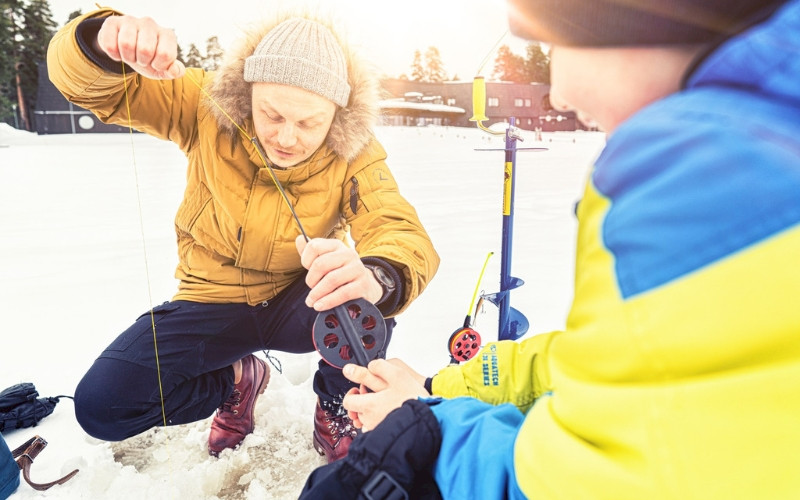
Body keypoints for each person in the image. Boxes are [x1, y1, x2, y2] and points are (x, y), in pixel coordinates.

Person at [299, 0, 800, 498]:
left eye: (555, 43)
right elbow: (602, 364)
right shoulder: (761, 139)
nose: (556, 92)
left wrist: (429, 431)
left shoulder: (690, 171)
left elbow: (584, 481)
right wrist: (437, 391)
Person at [46, 8, 439, 462]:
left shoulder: (355, 152)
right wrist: (100, 41)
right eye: (271, 114)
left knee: (362, 298)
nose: (287, 137)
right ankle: (236, 379)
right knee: (104, 408)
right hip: (208, 297)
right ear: (247, 93)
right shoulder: (204, 102)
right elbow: (96, 88)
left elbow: (395, 225)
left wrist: (380, 276)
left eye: (309, 123)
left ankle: (337, 409)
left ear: (337, 115)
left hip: (299, 304)